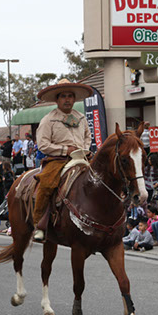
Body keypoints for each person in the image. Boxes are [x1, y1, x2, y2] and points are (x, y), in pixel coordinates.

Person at [32, 78, 93, 241]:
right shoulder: (48, 119)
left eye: (70, 96)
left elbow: (88, 137)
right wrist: (66, 150)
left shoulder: (81, 118)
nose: (67, 99)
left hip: (82, 157)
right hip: (58, 160)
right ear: (57, 99)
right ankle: (39, 224)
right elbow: (42, 144)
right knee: (46, 185)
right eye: (64, 96)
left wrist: (84, 149)